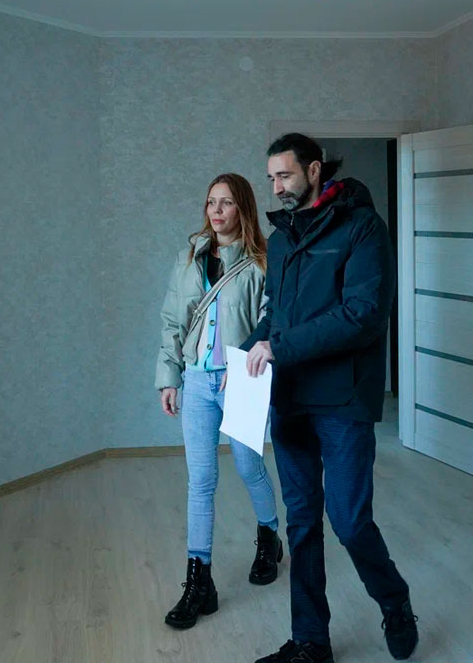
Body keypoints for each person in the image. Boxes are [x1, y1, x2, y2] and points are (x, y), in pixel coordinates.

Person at [243, 134, 418, 663]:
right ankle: (310, 642)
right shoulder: (280, 239)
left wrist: (279, 346)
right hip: (290, 400)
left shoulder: (363, 227)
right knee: (301, 523)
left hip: (342, 401)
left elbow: (363, 315)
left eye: (285, 175)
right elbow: (276, 316)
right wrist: (246, 354)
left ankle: (394, 600)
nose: (277, 187)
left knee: (348, 520)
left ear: (315, 170)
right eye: (271, 178)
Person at [155, 172, 283, 631]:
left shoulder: (261, 262)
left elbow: (271, 321)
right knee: (201, 481)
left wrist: (245, 361)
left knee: (248, 465)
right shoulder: (190, 258)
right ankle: (199, 581)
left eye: (226, 202)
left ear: (241, 208)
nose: (216, 210)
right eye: (211, 201)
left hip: (243, 380)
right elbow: (173, 320)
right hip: (196, 379)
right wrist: (169, 378)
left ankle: (269, 536)